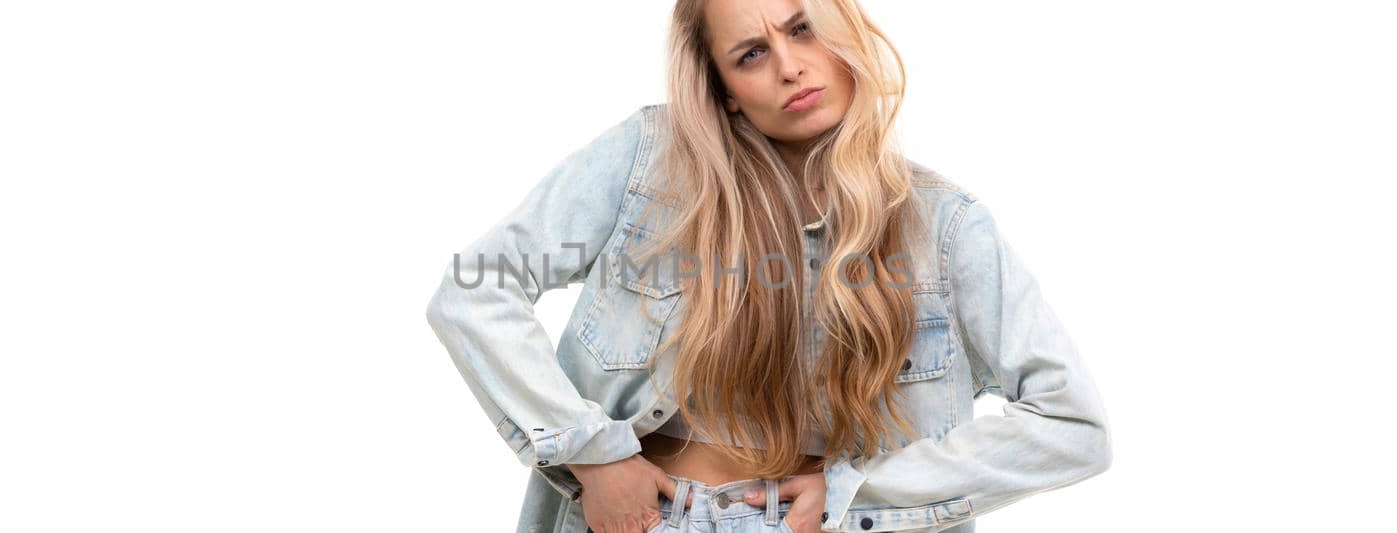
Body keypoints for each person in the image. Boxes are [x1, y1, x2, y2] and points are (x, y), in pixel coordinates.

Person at [424, 0, 1113, 531]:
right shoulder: (649, 161)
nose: (790, 66)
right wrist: (592, 453)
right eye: (752, 54)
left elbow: (1071, 425)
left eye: (804, 28)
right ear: (724, 87)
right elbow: (475, 292)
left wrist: (856, 492)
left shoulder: (947, 227)